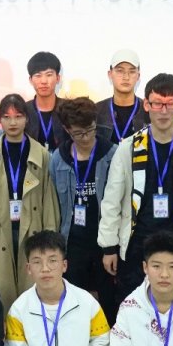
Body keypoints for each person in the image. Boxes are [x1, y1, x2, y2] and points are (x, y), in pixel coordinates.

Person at [98, 73, 173, 303]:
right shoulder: (129, 148)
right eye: (157, 104)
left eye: (170, 104)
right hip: (136, 246)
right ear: (146, 104)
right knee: (133, 310)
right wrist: (109, 246)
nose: (163, 111)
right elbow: (112, 199)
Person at [0, 93, 60, 313]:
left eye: (18, 116)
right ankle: (9, 330)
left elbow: (49, 198)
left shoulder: (41, 154)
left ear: (26, 119)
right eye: (7, 117)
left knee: (33, 285)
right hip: (1, 230)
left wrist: (50, 236)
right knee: (4, 288)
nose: (13, 122)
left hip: (33, 228)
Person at [50, 96, 118, 320]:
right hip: (73, 242)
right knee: (74, 301)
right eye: (79, 133)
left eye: (90, 130)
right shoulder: (58, 159)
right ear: (67, 130)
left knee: (109, 301)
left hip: (104, 242)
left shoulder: (112, 154)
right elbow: (53, 202)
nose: (86, 137)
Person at [95, 49, 148, 144]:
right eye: (120, 71)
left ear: (138, 76)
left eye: (132, 71)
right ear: (110, 74)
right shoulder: (96, 111)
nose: (126, 77)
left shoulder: (148, 111)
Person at [24, 51, 68, 151]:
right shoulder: (23, 111)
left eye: (49, 75)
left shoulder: (69, 110)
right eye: (38, 75)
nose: (44, 81)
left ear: (58, 78)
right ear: (30, 80)